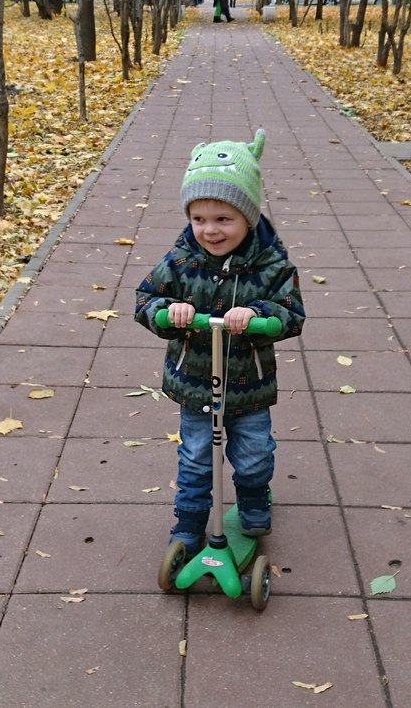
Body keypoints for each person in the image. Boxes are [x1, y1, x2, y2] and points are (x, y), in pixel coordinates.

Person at [135, 129, 305, 557]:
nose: (209, 230)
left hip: (250, 387)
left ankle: (253, 499)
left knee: (254, 453)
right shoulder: (179, 261)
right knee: (195, 458)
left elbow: (291, 313)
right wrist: (167, 311)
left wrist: (259, 316)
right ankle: (189, 523)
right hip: (194, 384)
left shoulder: (273, 265)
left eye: (223, 219)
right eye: (199, 219)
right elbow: (146, 298)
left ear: (248, 216)